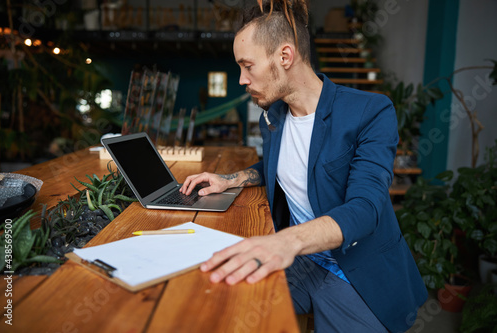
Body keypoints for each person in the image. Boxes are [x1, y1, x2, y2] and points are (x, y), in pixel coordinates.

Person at [180, 0, 427, 331]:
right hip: (300, 263)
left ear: (285, 57)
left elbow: (367, 208)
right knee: (215, 302)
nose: (241, 79)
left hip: (354, 274)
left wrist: (285, 242)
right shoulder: (277, 115)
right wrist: (231, 179)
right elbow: (279, 164)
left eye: (247, 66)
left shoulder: (371, 111)